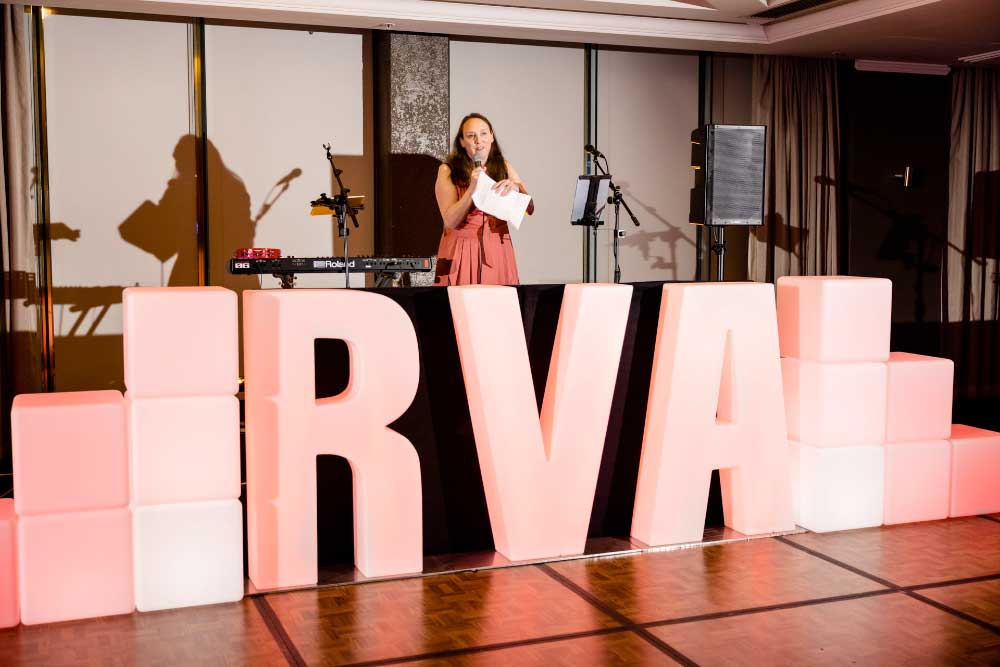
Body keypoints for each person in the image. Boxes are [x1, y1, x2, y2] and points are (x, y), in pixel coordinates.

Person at [434, 113, 533, 286]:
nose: (478, 141)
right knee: (463, 301)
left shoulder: (504, 166)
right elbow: (450, 221)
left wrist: (516, 189)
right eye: (471, 136)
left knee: (497, 301)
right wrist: (472, 188)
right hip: (461, 249)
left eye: (484, 134)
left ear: (492, 137)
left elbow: (529, 209)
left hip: (497, 248)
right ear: (462, 142)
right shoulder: (447, 170)